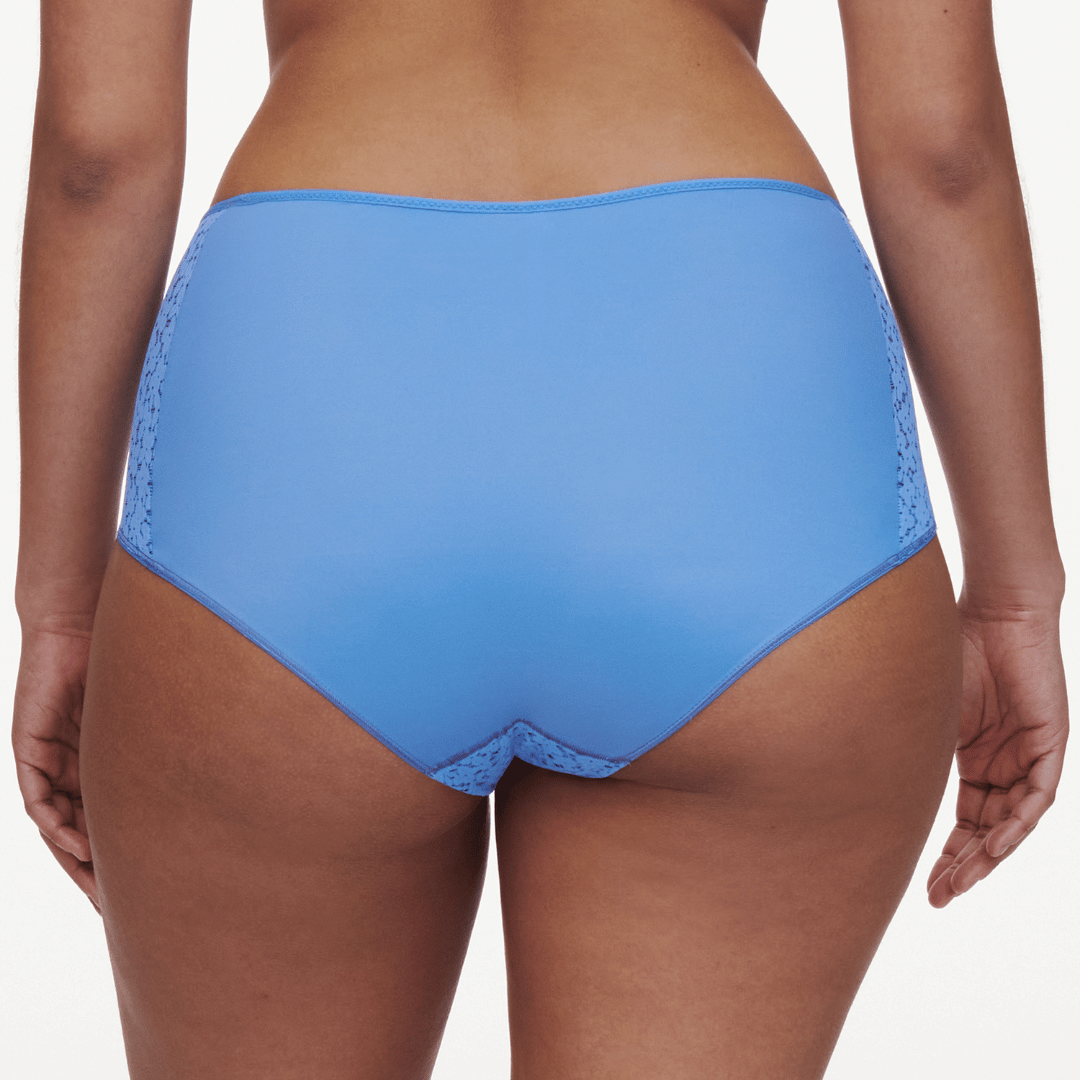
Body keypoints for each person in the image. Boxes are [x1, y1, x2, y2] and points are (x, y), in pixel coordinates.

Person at [12, 0, 1068, 1077]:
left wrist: (56, 605)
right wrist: (1016, 590)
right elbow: (942, 148)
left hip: (310, 399)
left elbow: (100, 153)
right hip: (732, 399)